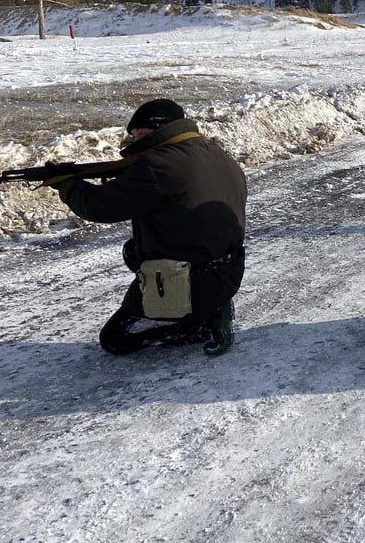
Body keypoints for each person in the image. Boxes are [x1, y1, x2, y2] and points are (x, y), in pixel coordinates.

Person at [56, 99, 247, 355]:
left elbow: (100, 206)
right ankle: (209, 305)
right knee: (133, 251)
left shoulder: (158, 165)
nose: (136, 142)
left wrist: (66, 185)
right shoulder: (212, 151)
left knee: (115, 339)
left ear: (162, 131)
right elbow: (162, 185)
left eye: (142, 135)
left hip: (191, 282)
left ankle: (199, 322)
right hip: (227, 270)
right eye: (134, 136)